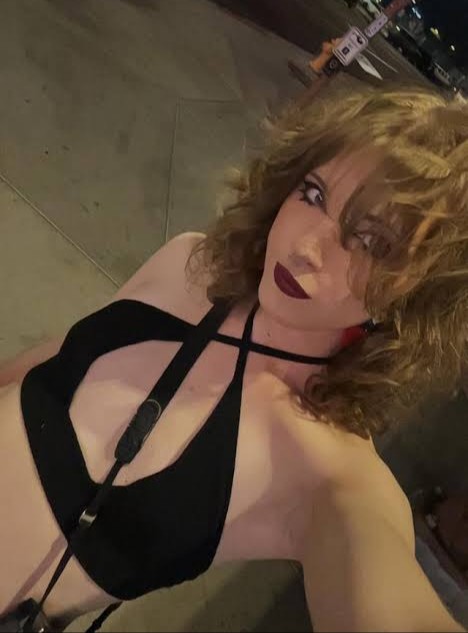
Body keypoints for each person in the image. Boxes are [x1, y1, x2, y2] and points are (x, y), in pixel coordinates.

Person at [0, 87, 467, 632]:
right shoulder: (189, 266)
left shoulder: (326, 473)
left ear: (418, 293)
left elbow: (382, 591)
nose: (305, 248)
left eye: (371, 241)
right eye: (313, 194)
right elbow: (45, 367)